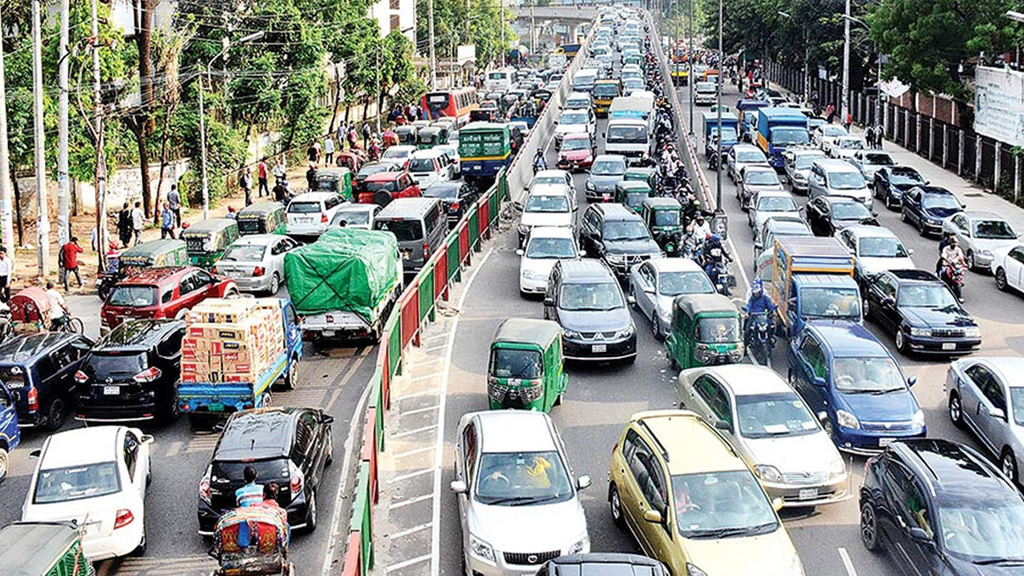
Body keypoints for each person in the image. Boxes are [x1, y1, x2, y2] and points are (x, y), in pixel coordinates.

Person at [941, 236, 967, 301]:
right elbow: (944, 256)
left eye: (955, 243)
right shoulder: (946, 249)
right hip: (948, 264)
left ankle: (958, 296)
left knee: (960, 272)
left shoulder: (958, 250)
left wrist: (963, 264)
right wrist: (945, 262)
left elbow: (960, 257)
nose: (954, 244)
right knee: (944, 272)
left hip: (955, 265)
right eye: (952, 243)